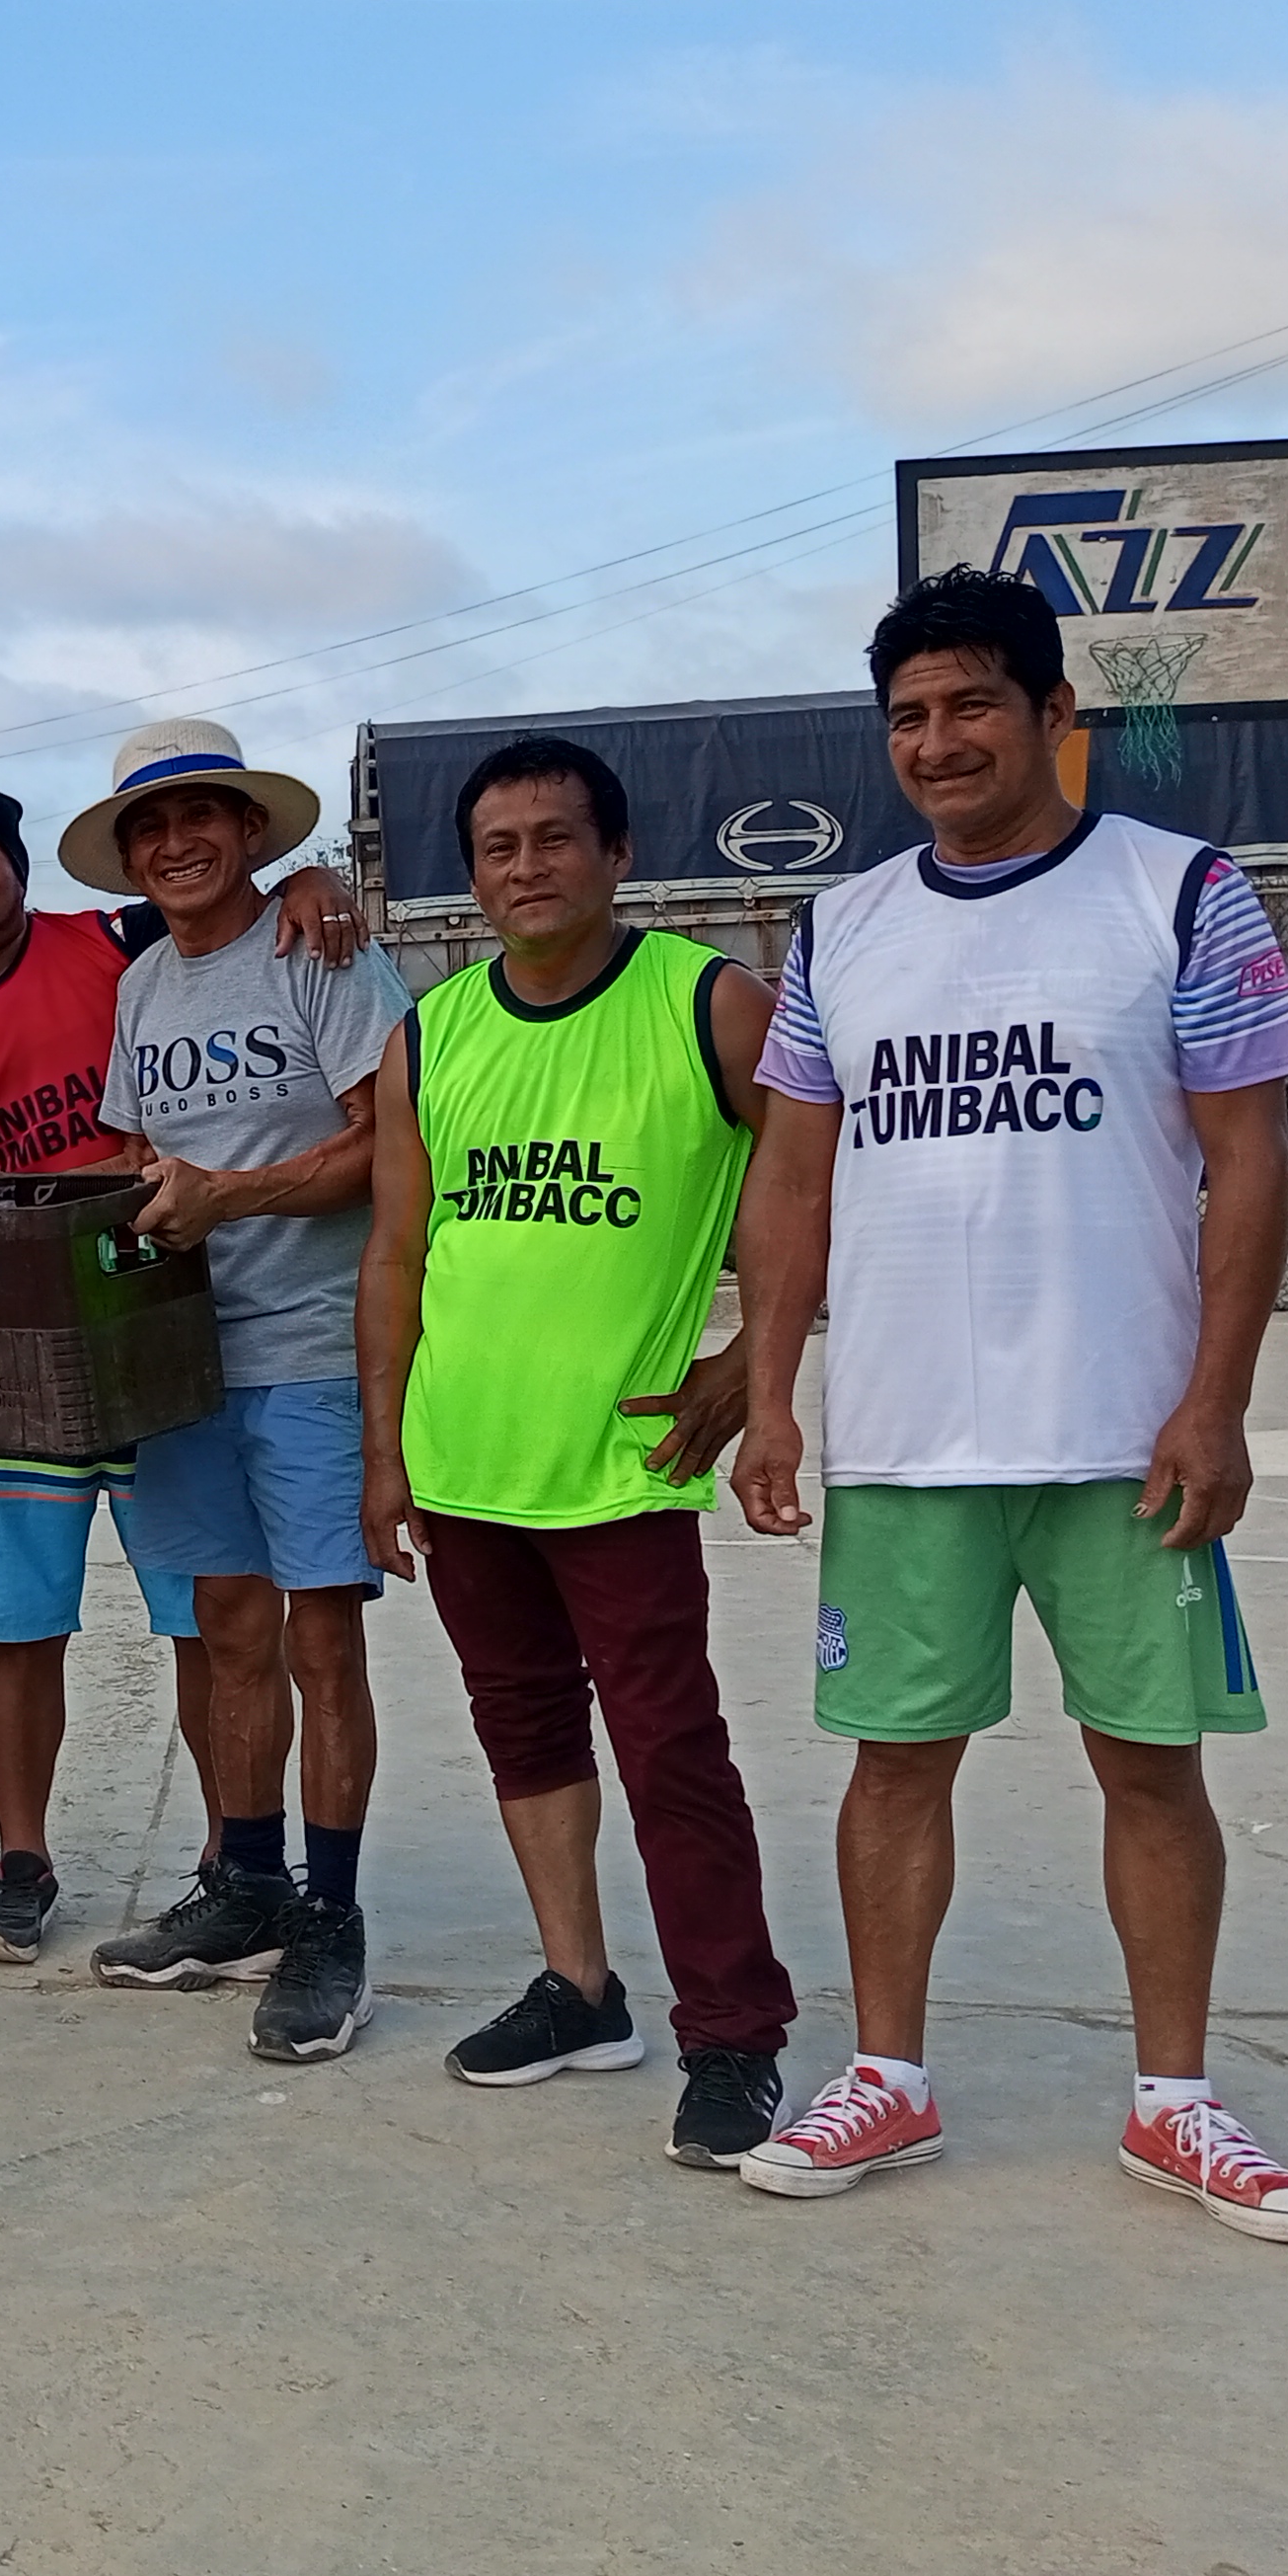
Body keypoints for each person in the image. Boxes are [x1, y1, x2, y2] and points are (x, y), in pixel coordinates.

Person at [729, 566, 1288, 2243]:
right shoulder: (839, 929)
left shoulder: (1178, 893)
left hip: (1119, 1432)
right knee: (891, 1764)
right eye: (907, 716)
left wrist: (1214, 1401)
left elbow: (1247, 1162)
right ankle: (888, 2076)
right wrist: (768, 1394)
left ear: (1052, 713)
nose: (936, 741)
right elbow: (791, 1180)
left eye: (969, 705)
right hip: (905, 1433)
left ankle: (1174, 2100)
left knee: (1149, 1765)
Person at [0, 776, 368, 1962]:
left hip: (156, 1333)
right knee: (19, 1624)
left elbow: (233, 907)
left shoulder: (116, 941)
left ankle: (231, 1857)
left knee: (214, 1623)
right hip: (0, 1356)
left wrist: (315, 880)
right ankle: (22, 1859)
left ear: (19, 867)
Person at [354, 736, 799, 2169]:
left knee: (672, 1750)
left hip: (619, 1467)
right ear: (470, 876)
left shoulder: (708, 1003)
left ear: (617, 855)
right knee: (524, 1729)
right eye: (498, 847)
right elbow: (399, 1251)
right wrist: (383, 1449)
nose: (526, 866)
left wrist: (751, 1367)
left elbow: (820, 1183)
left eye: (555, 838)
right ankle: (580, 1989)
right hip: (464, 1457)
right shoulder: (429, 1034)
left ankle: (732, 2032)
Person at [70, 719, 413, 2062]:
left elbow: (388, 1145)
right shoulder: (142, 985)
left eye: (199, 817)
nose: (176, 845)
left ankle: (332, 1916)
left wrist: (235, 1198)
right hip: (185, 1362)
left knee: (322, 1640)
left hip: (313, 1348)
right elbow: (136, 1153)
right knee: (226, 1626)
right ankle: (248, 1884)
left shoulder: (323, 951)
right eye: (149, 829)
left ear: (251, 830)